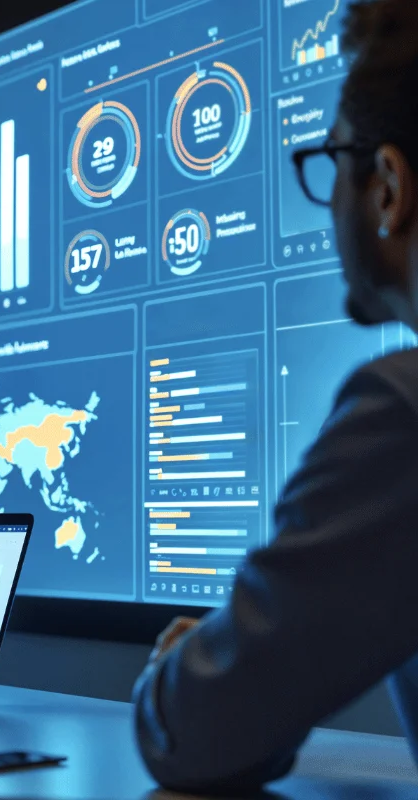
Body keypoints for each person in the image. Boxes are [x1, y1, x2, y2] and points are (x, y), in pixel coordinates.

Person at [134, 0, 418, 793]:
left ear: (388, 188)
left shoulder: (403, 412)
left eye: (332, 161)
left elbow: (196, 732)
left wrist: (187, 669)